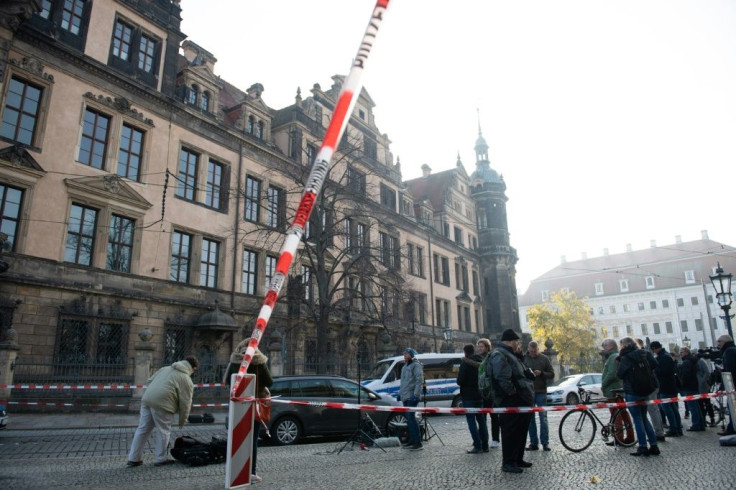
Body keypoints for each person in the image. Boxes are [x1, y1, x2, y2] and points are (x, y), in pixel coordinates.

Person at [127, 355, 198, 467]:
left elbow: (149, 380)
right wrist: (182, 420)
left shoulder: (165, 368)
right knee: (163, 431)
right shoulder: (186, 379)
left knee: (143, 429)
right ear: (193, 368)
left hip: (147, 399)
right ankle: (161, 458)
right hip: (163, 404)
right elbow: (186, 402)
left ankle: (133, 458)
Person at [223, 338, 273, 484]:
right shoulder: (259, 361)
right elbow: (269, 382)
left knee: (237, 438)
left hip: (238, 405)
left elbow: (227, 381)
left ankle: (235, 470)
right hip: (255, 404)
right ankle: (251, 472)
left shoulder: (234, 361)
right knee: (252, 440)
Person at [485, 329, 534, 474]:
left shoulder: (511, 354)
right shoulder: (499, 354)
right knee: (510, 432)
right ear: (511, 341)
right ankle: (508, 462)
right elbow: (502, 378)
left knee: (521, 430)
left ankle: (517, 458)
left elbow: (520, 373)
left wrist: (520, 356)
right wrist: (513, 394)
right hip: (510, 400)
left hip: (521, 399)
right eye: (517, 341)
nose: (518, 344)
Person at [616, 337, 660, 457]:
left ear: (623, 345)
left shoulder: (626, 357)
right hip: (646, 389)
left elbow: (620, 374)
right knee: (644, 417)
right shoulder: (645, 353)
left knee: (637, 418)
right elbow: (655, 364)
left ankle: (642, 446)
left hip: (632, 390)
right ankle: (654, 444)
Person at [600, 338, 634, 445]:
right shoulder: (613, 356)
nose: (604, 348)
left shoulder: (612, 357)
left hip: (613, 390)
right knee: (622, 413)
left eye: (605, 346)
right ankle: (629, 437)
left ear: (610, 346)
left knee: (617, 415)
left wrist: (603, 384)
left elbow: (612, 374)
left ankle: (619, 438)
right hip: (615, 389)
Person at [457, 344, 489, 453]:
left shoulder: (465, 364)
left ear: (465, 352)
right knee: (482, 420)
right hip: (479, 395)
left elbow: (460, 381)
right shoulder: (481, 361)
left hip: (468, 396)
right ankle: (485, 445)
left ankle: (477, 446)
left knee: (471, 421)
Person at [523, 341, 554, 451]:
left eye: (535, 351)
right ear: (528, 349)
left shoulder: (544, 358)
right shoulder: (524, 359)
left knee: (543, 418)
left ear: (538, 350)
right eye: (531, 351)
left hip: (541, 391)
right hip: (529, 392)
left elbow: (552, 374)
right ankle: (533, 443)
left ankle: (545, 443)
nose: (533, 353)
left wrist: (541, 373)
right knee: (530, 419)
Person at [650, 341, 683, 437]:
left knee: (668, 408)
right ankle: (677, 427)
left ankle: (674, 428)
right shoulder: (666, 356)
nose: (654, 352)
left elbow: (665, 371)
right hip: (669, 386)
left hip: (665, 386)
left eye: (653, 349)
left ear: (655, 348)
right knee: (672, 407)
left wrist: (655, 370)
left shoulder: (664, 357)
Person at [635, 338, 666, 442]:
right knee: (653, 409)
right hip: (651, 384)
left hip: (649, 385)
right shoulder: (647, 354)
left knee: (652, 409)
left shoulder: (644, 354)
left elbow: (654, 365)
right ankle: (659, 432)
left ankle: (659, 433)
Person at [476, 338, 500, 448]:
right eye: (478, 346)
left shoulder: (490, 357)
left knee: (494, 416)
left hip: (491, 391)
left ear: (487, 347)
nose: (479, 348)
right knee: (482, 417)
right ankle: (483, 438)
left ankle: (495, 439)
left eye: (481, 346)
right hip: (482, 391)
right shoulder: (479, 358)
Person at [399, 347, 424, 450]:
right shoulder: (404, 367)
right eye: (404, 354)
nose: (405, 356)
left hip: (412, 396)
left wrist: (416, 394)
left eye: (406, 354)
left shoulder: (416, 365)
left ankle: (417, 442)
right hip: (405, 396)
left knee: (411, 418)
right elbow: (403, 382)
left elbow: (419, 380)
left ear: (411, 355)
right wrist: (400, 394)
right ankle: (411, 440)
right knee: (408, 420)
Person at [678, 346, 705, 432]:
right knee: (696, 406)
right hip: (694, 385)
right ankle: (701, 423)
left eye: (681, 352)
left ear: (686, 352)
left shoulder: (686, 362)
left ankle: (696, 424)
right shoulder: (692, 361)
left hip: (688, 386)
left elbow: (685, 375)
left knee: (692, 407)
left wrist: (681, 382)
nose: (680, 354)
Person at [716, 334, 736, 435]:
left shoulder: (728, 351)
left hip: (732, 385)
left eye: (720, 341)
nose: (718, 344)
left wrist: (724, 386)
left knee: (732, 407)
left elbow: (730, 370)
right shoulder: (731, 350)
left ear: (725, 341)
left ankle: (731, 429)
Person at [696, 352, 715, 427]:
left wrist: (702, 381)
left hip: (704, 387)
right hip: (697, 387)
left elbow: (707, 372)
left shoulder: (701, 361)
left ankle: (712, 418)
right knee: (700, 404)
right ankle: (703, 419)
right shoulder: (695, 362)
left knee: (707, 403)